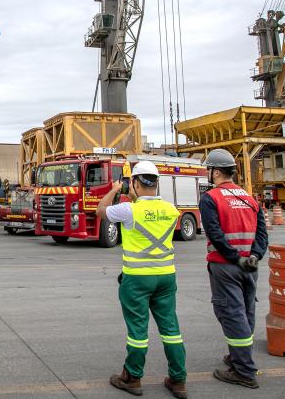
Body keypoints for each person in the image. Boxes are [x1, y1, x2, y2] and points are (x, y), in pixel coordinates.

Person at [96, 161, 187, 398]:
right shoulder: (171, 209)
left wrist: (116, 190)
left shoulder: (129, 210)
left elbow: (100, 210)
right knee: (171, 328)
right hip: (166, 277)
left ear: (134, 182)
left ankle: (132, 377)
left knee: (138, 330)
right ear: (157, 183)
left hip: (137, 279)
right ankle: (178, 380)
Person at [199, 149, 269, 389]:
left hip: (225, 266)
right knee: (246, 313)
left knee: (231, 313)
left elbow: (215, 233)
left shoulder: (211, 198)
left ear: (216, 171)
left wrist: (234, 257)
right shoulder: (249, 198)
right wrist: (255, 256)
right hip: (250, 267)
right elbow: (262, 234)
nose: (208, 174)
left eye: (209, 170)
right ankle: (239, 356)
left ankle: (244, 371)